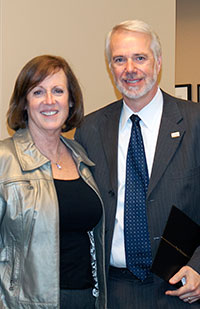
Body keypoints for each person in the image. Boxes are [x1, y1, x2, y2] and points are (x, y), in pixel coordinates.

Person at [75, 20, 200, 308]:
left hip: (182, 289)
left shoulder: (194, 123)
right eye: (119, 59)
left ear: (158, 62)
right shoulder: (89, 130)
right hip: (113, 291)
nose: (130, 69)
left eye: (139, 58)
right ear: (110, 68)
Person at [0, 55, 107, 309]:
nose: (49, 101)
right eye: (38, 92)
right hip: (26, 303)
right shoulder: (5, 159)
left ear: (71, 101)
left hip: (87, 299)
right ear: (24, 103)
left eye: (58, 91)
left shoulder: (81, 156)